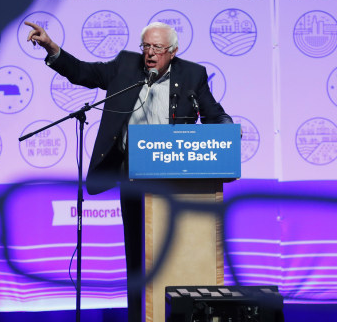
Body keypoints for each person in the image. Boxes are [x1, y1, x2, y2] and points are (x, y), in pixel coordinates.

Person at [26, 20, 233, 322]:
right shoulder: (126, 66)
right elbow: (85, 72)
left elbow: (214, 113)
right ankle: (140, 317)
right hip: (133, 176)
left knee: (178, 252)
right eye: (146, 46)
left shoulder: (193, 75)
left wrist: (228, 131)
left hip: (179, 179)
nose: (149, 54)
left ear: (172, 52)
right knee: (139, 255)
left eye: (157, 48)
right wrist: (51, 47)